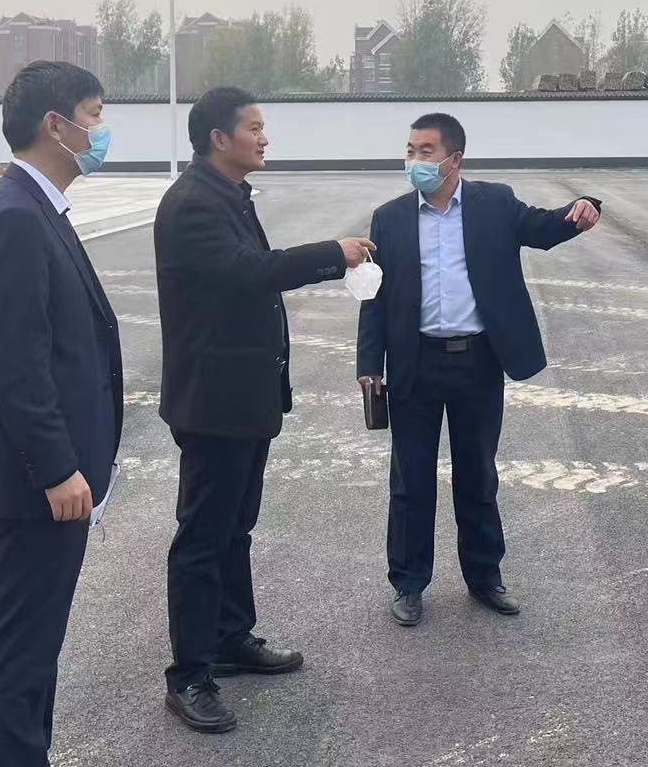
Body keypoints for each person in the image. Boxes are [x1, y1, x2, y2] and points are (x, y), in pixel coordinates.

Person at [154, 86, 375, 733]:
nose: (264, 138)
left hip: (242, 397)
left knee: (235, 527)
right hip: (213, 402)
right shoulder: (194, 204)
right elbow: (250, 272)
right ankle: (190, 675)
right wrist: (332, 254)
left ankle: (230, 637)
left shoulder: (227, 194)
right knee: (203, 537)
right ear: (219, 138)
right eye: (254, 128)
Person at [0, 61, 122, 767]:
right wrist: (57, 468)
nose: (100, 131)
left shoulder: (37, 207)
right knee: (20, 653)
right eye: (94, 115)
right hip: (36, 485)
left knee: (35, 647)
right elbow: (15, 362)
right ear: (56, 124)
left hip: (50, 480)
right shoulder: (15, 215)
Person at [357, 112, 601, 627]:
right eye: (410, 151)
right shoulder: (390, 218)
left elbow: (543, 227)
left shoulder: (494, 204)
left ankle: (485, 577)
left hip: (477, 362)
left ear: (454, 159)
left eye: (425, 152)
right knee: (410, 480)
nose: (415, 161)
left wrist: (583, 207)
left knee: (477, 475)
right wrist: (369, 364)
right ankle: (408, 583)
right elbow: (374, 297)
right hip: (415, 364)